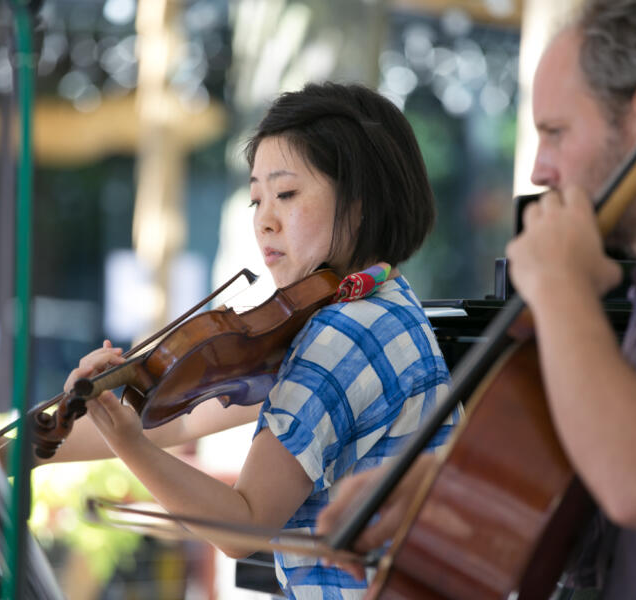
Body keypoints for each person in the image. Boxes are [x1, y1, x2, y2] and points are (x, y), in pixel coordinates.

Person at [318, 1, 636, 598]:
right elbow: (611, 508)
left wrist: (559, 287)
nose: (539, 169)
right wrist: (451, 492)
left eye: (555, 132)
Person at [53, 81, 460, 599]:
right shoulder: (386, 305)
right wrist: (16, 453)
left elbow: (241, 525)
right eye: (255, 199)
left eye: (286, 194)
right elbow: (180, 418)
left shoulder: (342, 336)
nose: (264, 221)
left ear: (361, 203)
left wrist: (125, 442)